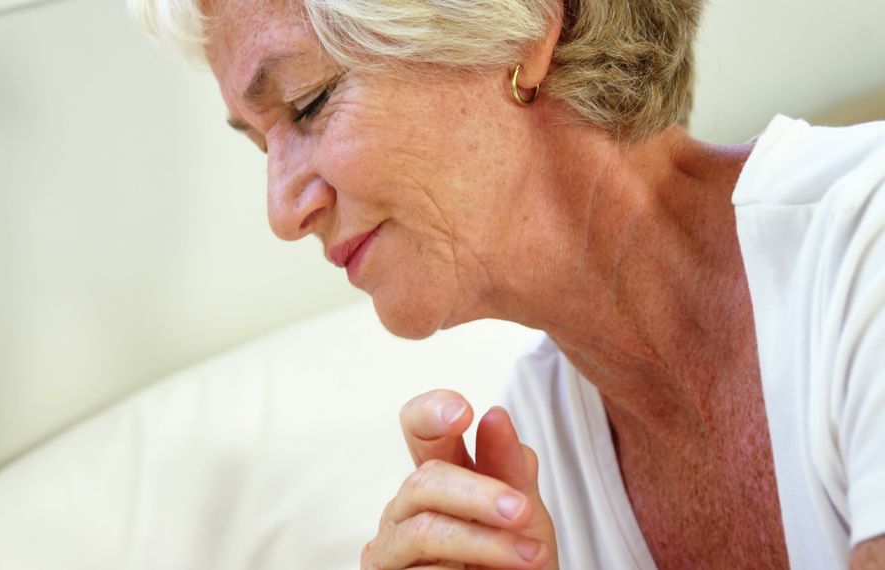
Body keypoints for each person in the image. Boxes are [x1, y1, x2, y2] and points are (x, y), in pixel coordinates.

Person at [130, 0, 885, 567]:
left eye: (309, 101)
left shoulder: (864, 246)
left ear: (524, 29)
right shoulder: (532, 460)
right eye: (261, 143)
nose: (283, 212)